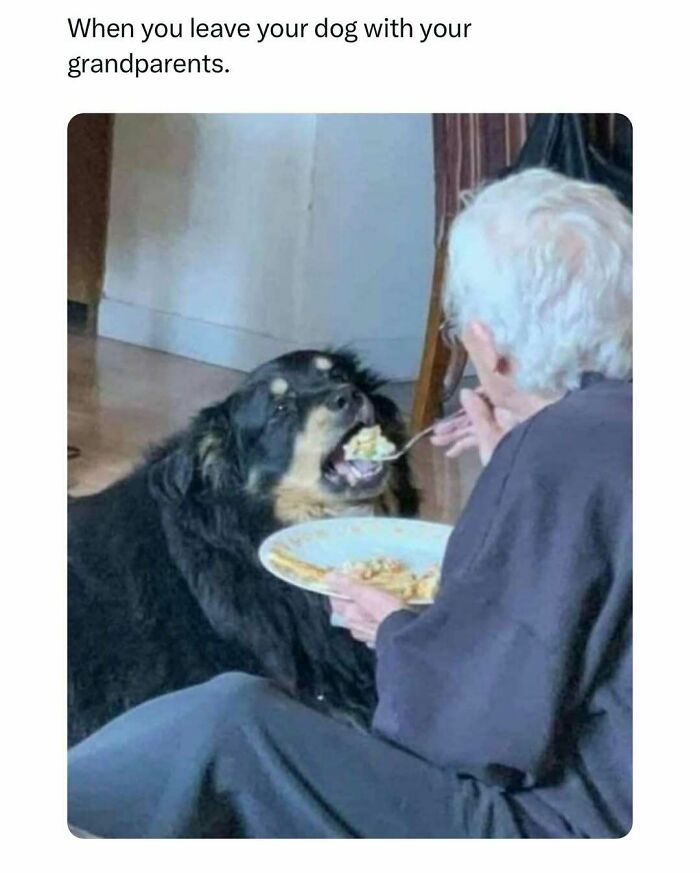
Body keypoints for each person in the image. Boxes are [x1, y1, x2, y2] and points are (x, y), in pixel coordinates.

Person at [68, 168, 632, 838]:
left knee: (229, 719)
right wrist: (517, 466)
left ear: (488, 345)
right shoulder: (612, 432)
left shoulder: (560, 458)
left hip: (554, 824)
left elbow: (475, 732)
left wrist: (393, 630)